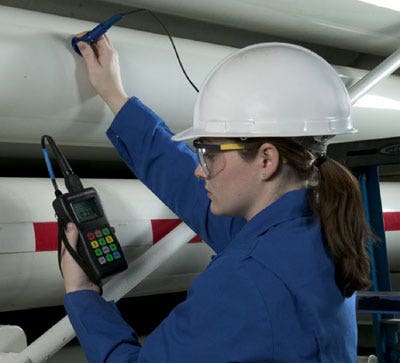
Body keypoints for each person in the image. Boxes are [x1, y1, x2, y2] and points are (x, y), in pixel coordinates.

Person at [61, 35, 372, 362]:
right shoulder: (315, 229)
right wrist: (115, 96)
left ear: (266, 160)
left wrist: (82, 296)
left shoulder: (246, 281)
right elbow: (188, 184)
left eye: (209, 153)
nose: (200, 171)